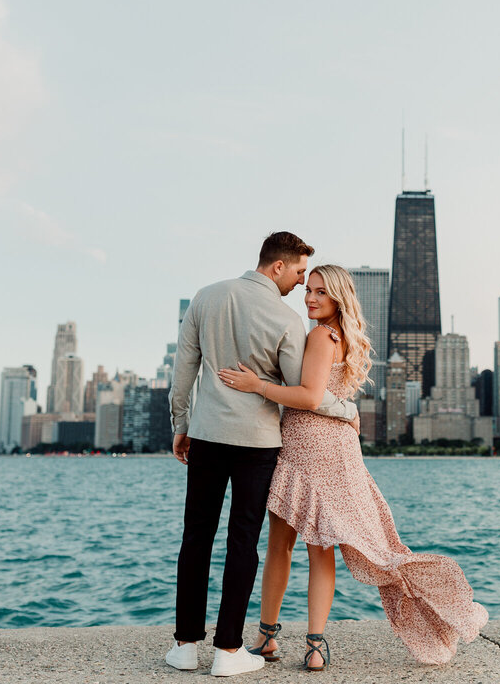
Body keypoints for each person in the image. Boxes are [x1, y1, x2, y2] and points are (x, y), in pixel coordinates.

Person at [219, 264, 488, 670]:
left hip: (307, 445)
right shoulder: (343, 337)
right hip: (338, 450)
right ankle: (312, 646)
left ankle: (268, 637)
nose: (310, 298)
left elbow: (309, 397)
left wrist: (258, 386)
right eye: (308, 289)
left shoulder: (320, 336)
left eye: (320, 293)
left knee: (282, 547)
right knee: (320, 550)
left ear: (338, 299)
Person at [165, 232, 359, 678]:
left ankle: (185, 646)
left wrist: (181, 424)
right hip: (258, 444)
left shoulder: (205, 297)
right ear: (278, 267)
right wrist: (348, 410)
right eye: (297, 275)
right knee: (243, 542)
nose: (299, 285)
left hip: (207, 435)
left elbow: (184, 369)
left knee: (195, 537)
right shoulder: (288, 320)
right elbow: (304, 394)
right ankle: (228, 651)